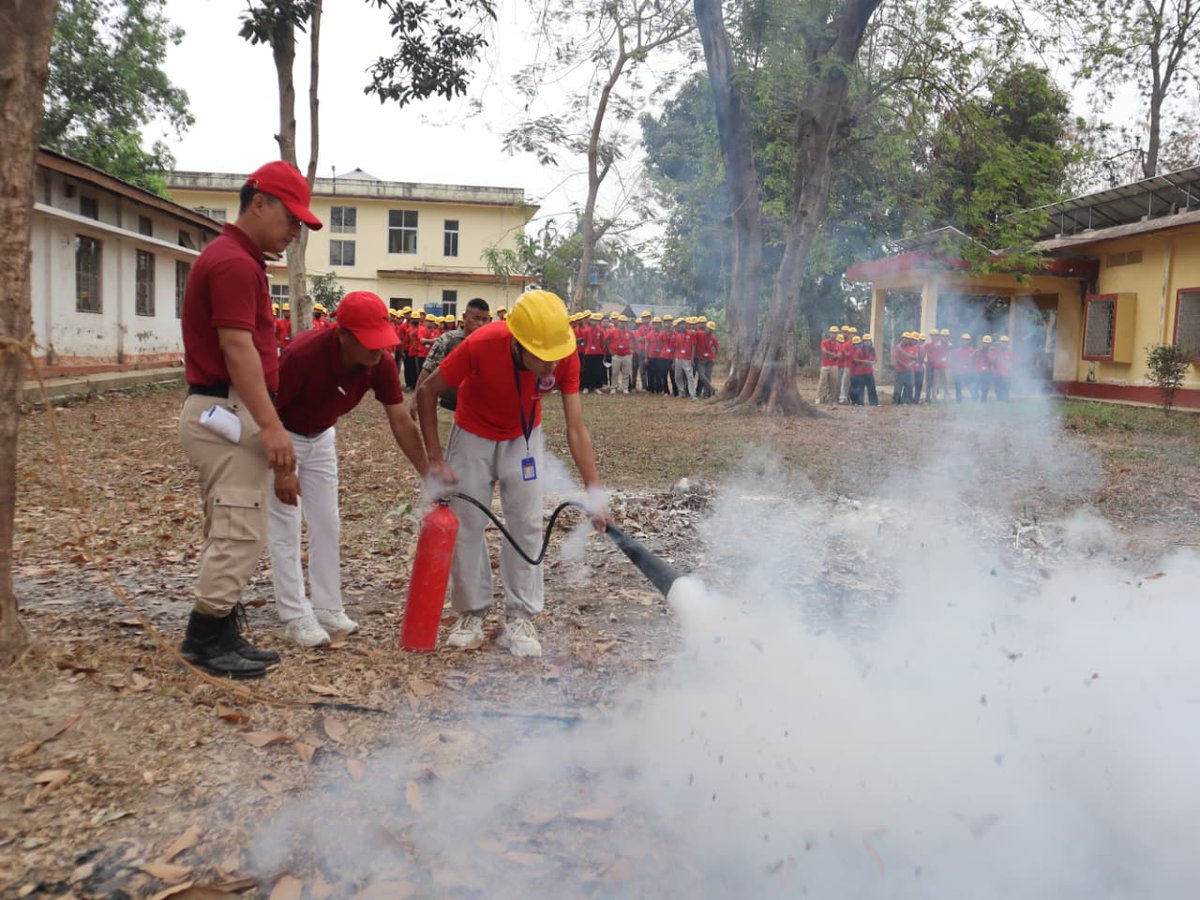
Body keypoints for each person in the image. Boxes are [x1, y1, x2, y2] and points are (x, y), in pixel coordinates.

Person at [177, 160, 319, 679]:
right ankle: (203, 641)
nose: (293, 232)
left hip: (230, 408)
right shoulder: (234, 263)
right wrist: (273, 426)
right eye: (291, 218)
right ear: (259, 203)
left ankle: (222, 630)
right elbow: (237, 350)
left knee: (234, 525)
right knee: (238, 531)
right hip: (226, 407)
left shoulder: (239, 259)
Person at [415, 290, 608, 657]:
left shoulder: (563, 354)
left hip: (523, 437)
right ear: (517, 343)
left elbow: (576, 427)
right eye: (542, 358)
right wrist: (436, 458)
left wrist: (594, 492)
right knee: (467, 523)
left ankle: (521, 616)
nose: (552, 366)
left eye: (556, 356)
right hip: (473, 434)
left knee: (526, 522)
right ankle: (471, 613)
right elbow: (426, 392)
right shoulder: (482, 343)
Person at [268, 291, 428, 647]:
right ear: (343, 335)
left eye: (380, 342)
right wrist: (282, 468)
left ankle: (327, 607)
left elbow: (401, 421)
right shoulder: (301, 355)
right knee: (286, 524)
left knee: (327, 522)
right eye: (368, 343)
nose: (377, 351)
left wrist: (428, 473)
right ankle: (295, 615)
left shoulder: (381, 363)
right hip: (281, 433)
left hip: (322, 435)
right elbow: (267, 411)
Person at [412, 297, 491, 414]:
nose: (480, 323)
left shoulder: (491, 343)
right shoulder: (448, 340)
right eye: (476, 318)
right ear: (464, 318)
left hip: (478, 413)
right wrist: (416, 400)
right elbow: (428, 369)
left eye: (485, 319)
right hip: (449, 410)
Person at [849, 333, 879, 406]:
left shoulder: (872, 350)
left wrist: (872, 363)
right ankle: (860, 403)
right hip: (860, 372)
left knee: (871, 388)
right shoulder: (859, 350)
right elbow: (855, 359)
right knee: (860, 388)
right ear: (863, 342)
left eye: (868, 341)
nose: (867, 342)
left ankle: (874, 403)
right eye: (865, 341)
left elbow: (875, 360)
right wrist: (865, 362)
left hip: (869, 372)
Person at [606, 315, 634, 393]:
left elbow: (635, 340)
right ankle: (614, 387)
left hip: (626, 355)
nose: (623, 324)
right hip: (616, 355)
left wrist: (632, 349)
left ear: (626, 323)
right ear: (618, 323)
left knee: (626, 373)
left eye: (624, 322)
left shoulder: (630, 332)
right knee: (614, 372)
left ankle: (625, 388)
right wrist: (610, 350)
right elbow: (606, 340)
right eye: (621, 322)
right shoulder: (613, 331)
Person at [696, 320, 718, 398]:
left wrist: (714, 357)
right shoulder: (699, 334)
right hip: (701, 359)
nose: (710, 330)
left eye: (712, 329)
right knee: (701, 375)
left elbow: (717, 348)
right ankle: (711, 388)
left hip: (710, 360)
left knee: (708, 376)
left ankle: (706, 393)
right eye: (709, 328)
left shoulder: (713, 338)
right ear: (706, 328)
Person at [952, 333, 976, 403]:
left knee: (972, 387)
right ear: (961, 341)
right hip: (959, 373)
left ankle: (975, 401)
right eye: (964, 340)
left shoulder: (972, 351)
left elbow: (974, 362)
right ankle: (959, 402)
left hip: (968, 373)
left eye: (967, 340)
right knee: (958, 388)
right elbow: (954, 361)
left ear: (969, 341)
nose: (965, 342)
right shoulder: (957, 351)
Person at [994, 335, 1015, 401]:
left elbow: (1016, 360)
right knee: (997, 390)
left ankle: (1006, 402)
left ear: (1007, 343)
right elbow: (992, 360)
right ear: (1000, 343)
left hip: (1007, 375)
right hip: (998, 375)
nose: (1004, 343)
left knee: (1006, 390)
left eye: (1005, 342)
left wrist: (1011, 365)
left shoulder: (1009, 353)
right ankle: (1000, 401)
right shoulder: (996, 352)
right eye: (1002, 342)